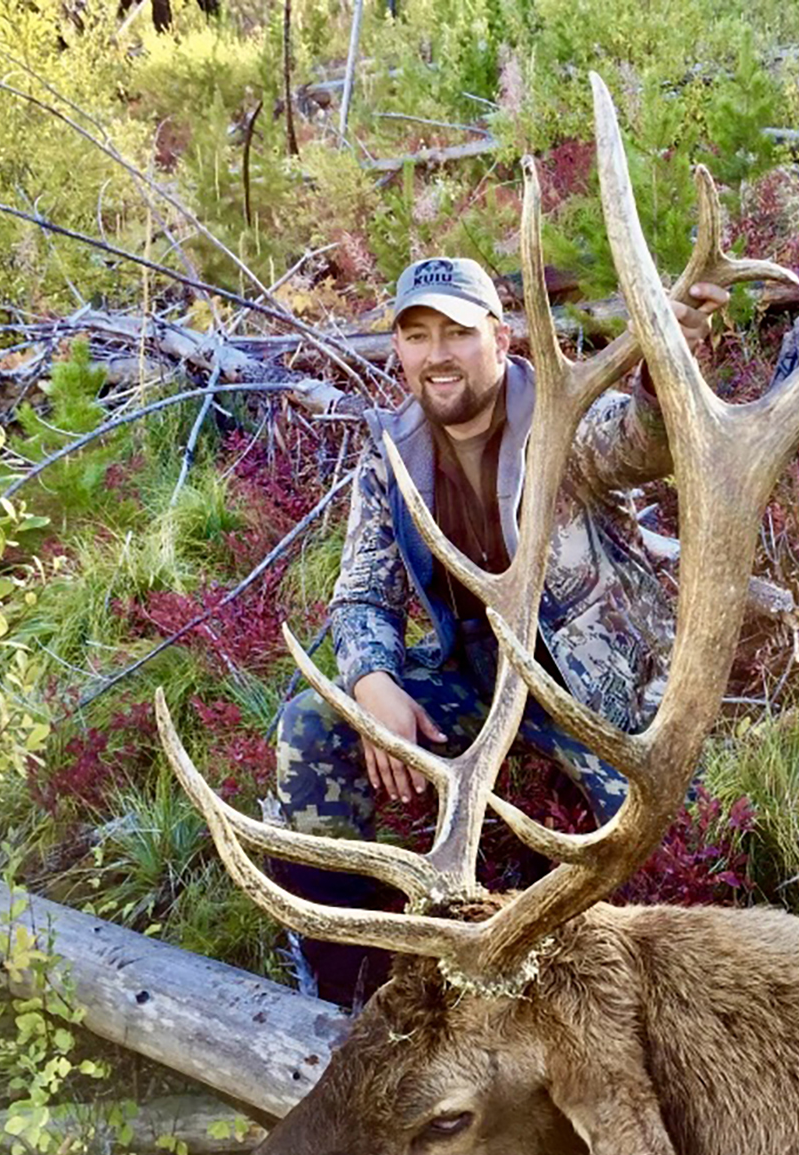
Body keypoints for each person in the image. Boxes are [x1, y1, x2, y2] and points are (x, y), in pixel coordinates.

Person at [266, 256, 727, 1006]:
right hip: (478, 679)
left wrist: (663, 371)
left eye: (456, 332)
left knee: (677, 870)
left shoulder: (561, 416)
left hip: (600, 692)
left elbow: (642, 444)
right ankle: (346, 994)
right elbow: (359, 597)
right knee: (316, 725)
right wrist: (374, 685)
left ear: (501, 338)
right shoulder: (391, 456)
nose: (436, 355)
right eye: (416, 335)